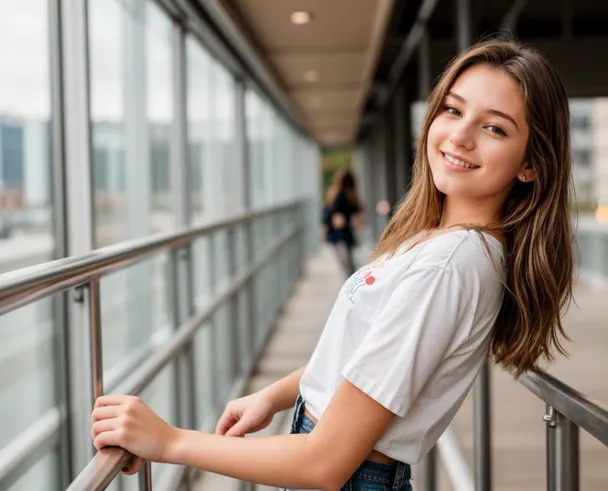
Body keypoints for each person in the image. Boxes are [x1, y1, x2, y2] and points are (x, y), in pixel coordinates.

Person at [90, 38, 574, 491]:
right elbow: (365, 354)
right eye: (453, 109)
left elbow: (325, 463)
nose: (460, 135)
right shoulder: (439, 242)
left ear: (530, 164)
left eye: (493, 127)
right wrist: (275, 396)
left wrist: (170, 441)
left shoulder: (448, 264)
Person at [322, 169, 363, 277]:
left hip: (337, 235)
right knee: (349, 267)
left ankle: (352, 290)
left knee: (347, 268)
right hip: (342, 235)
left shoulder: (334, 194)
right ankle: (353, 290)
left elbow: (326, 216)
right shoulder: (346, 196)